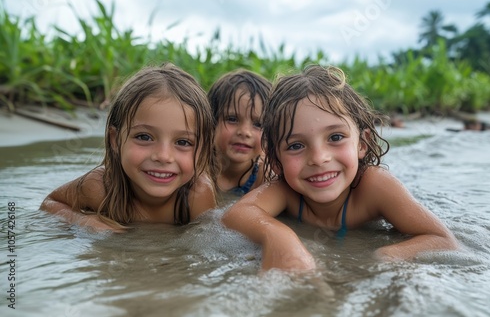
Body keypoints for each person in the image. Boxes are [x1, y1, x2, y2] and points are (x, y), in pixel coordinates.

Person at [222, 65, 458, 271]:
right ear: (275, 161)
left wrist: (387, 256)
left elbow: (443, 239)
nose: (319, 158)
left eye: (335, 137)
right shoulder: (285, 190)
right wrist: (277, 235)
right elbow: (236, 214)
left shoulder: (375, 186)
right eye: (296, 145)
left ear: (362, 144)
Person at [40, 63, 217, 231]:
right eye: (144, 137)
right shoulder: (100, 186)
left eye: (183, 142)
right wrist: (81, 220)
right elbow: (50, 204)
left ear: (202, 149)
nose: (163, 156)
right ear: (115, 140)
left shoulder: (197, 196)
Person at [207, 69, 271, 197]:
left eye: (258, 124)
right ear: (211, 123)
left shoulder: (264, 176)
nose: (245, 132)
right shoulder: (200, 169)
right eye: (232, 119)